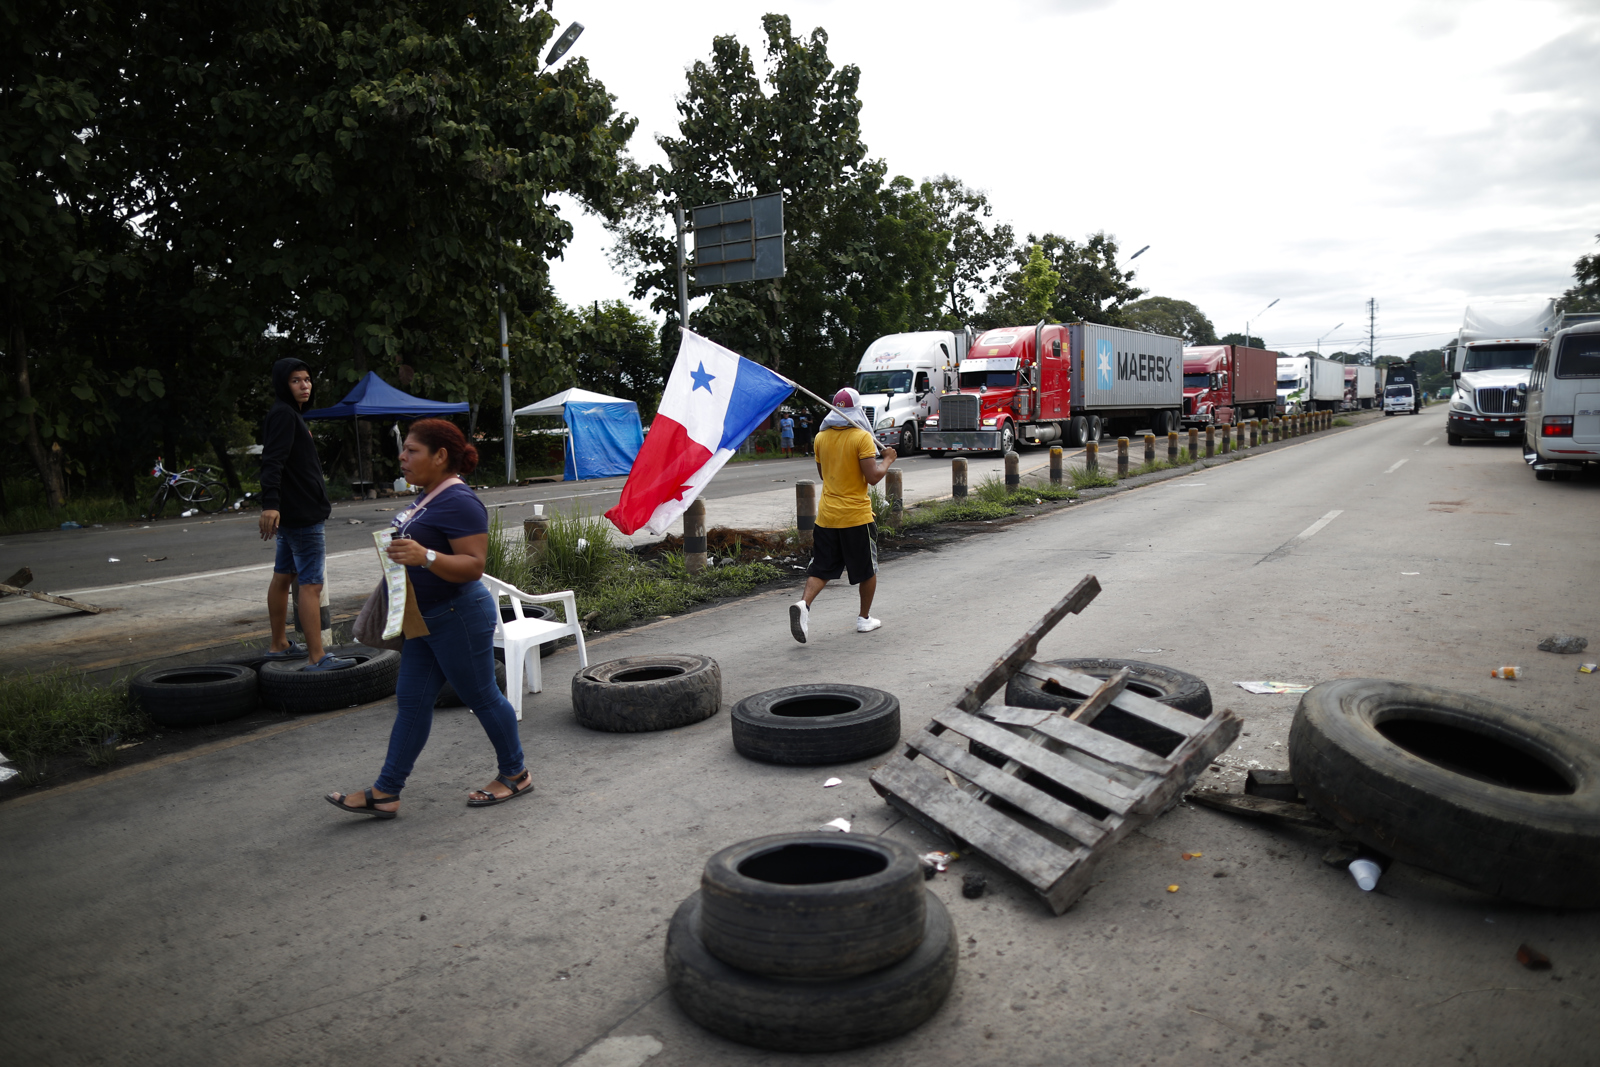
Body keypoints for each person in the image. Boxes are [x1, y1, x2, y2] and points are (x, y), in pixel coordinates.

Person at [325, 418, 531, 819]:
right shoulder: (429, 496)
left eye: (413, 450)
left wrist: (426, 557)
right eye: (404, 450)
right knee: (412, 703)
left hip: (458, 614)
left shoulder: (459, 500)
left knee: (483, 696)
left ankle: (516, 773)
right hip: (424, 618)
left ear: (440, 456)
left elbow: (473, 566)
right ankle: (386, 792)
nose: (402, 456)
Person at [258, 358, 353, 671]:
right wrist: (270, 503)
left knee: (283, 576)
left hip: (293, 514)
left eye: (308, 380)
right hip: (302, 515)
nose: (304, 386)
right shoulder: (285, 415)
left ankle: (279, 644)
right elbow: (272, 461)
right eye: (296, 380)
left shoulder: (288, 415)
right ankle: (317, 656)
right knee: (311, 584)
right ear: (283, 384)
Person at [789, 388, 896, 643]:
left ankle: (804, 604)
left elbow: (824, 475)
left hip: (826, 517)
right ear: (858, 410)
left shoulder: (820, 438)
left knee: (822, 568)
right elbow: (872, 478)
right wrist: (888, 460)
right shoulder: (862, 438)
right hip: (856, 517)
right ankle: (864, 618)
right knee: (867, 571)